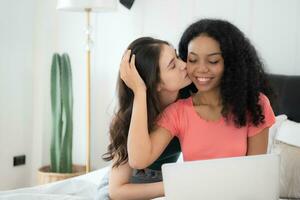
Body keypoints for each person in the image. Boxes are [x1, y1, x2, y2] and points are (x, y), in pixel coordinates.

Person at [122, 18, 276, 170]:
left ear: (231, 63)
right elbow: (138, 160)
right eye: (193, 60)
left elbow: (255, 172)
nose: (201, 69)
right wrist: (140, 91)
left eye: (213, 61)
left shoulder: (256, 105)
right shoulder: (177, 112)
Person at [100, 37, 192, 200]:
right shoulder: (126, 120)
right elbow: (117, 191)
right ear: (155, 83)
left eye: (177, 56)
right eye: (173, 65)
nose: (184, 65)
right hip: (130, 185)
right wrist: (140, 91)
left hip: (166, 179)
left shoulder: (191, 98)